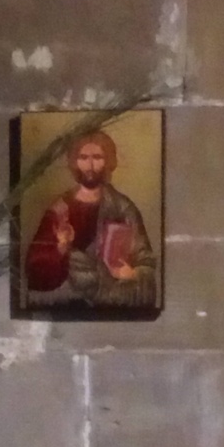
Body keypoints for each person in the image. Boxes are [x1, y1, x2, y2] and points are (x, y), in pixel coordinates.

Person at [22, 128, 154, 310]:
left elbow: (146, 261)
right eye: (83, 158)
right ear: (74, 162)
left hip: (113, 303)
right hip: (66, 303)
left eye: (97, 157)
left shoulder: (123, 208)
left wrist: (132, 274)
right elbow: (34, 273)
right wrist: (61, 248)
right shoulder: (60, 209)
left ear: (108, 161)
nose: (90, 166)